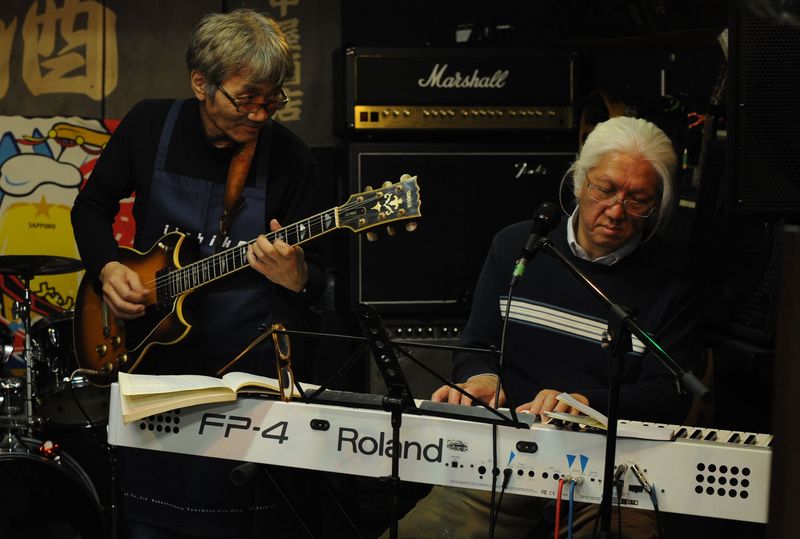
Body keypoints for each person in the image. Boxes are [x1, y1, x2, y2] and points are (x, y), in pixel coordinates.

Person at [71, 9, 326, 539]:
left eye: (272, 99)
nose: (259, 114)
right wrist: (109, 268)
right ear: (200, 83)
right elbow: (91, 208)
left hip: (243, 379)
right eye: (246, 98)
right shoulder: (150, 126)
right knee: (147, 522)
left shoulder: (291, 159)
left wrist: (298, 278)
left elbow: (321, 280)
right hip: (151, 367)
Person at [386, 116, 703, 538]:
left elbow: (670, 396)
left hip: (612, 470)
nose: (615, 211)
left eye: (638, 200)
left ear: (657, 205)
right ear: (580, 182)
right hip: (504, 458)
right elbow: (477, 344)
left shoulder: (674, 278)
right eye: (605, 190)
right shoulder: (517, 246)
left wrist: (586, 405)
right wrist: (482, 377)